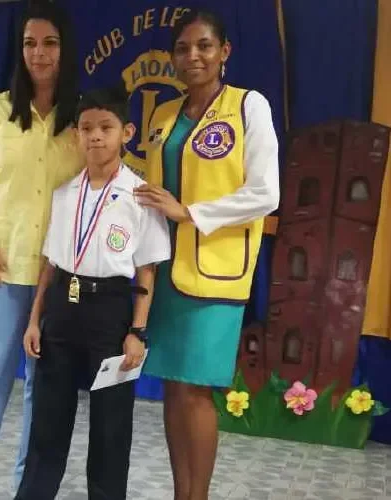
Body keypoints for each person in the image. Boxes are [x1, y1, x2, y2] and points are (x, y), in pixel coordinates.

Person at [134, 10, 281, 500]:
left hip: (215, 272)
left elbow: (265, 193)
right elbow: (151, 194)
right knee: (173, 389)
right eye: (182, 48)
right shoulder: (163, 117)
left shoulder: (247, 107)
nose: (191, 56)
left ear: (224, 52)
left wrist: (190, 212)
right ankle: (182, 493)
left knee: (195, 390)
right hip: (165, 272)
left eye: (203, 46)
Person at [15, 86, 171, 500]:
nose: (95, 136)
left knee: (111, 426)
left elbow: (147, 270)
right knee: (48, 421)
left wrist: (137, 331)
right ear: (76, 136)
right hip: (63, 309)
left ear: (127, 132)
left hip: (111, 311)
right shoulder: (65, 194)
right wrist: (35, 320)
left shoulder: (140, 198)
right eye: (87, 128)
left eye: (106, 127)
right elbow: (50, 264)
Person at [0, 2, 83, 499]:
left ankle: (27, 487)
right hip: (0, 271)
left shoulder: (80, 120)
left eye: (49, 43)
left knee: (41, 389)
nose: (39, 53)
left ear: (64, 49)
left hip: (57, 276)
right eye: (30, 43)